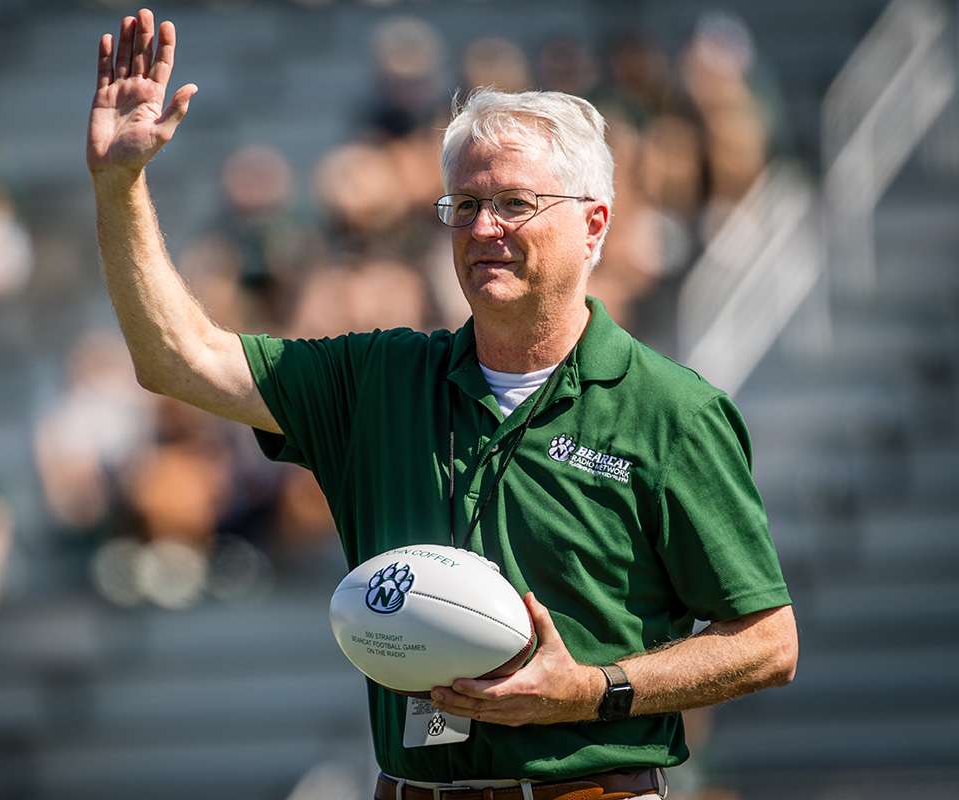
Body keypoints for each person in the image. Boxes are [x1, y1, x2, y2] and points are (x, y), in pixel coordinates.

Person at [86, 10, 798, 800]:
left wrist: (595, 690)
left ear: (594, 224)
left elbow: (767, 642)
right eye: (463, 206)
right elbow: (176, 358)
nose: (483, 229)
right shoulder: (380, 379)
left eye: (515, 205)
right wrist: (121, 185)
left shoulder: (670, 410)